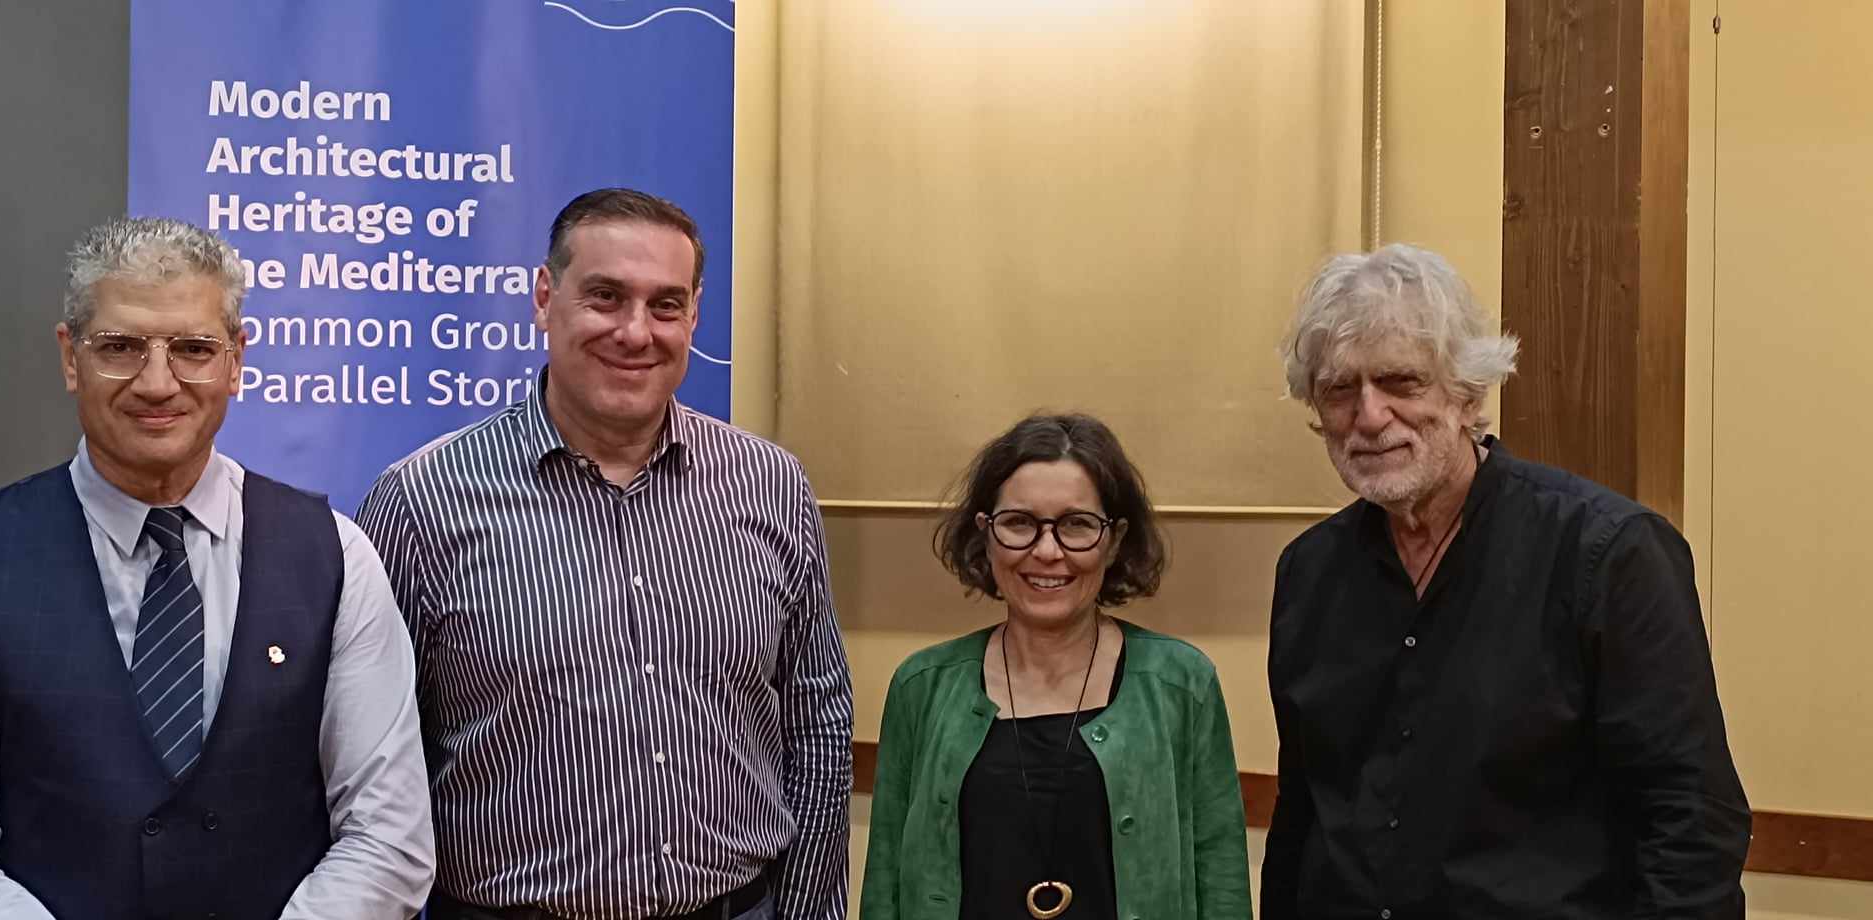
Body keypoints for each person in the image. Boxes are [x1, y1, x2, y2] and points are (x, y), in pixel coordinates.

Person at [0, 217, 435, 919]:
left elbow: (388, 839)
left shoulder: (337, 558)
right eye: (120, 347)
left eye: (194, 349)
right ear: (70, 358)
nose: (158, 382)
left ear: (236, 360)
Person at [357, 187, 853, 920]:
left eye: (665, 305)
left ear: (694, 314)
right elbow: (372, 758)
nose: (635, 331)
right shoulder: (423, 499)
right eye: (606, 297)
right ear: (544, 297)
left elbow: (818, 722)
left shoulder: (771, 485)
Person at [1263, 243, 1751, 918]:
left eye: (1401, 382)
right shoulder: (1308, 573)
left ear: (1467, 394)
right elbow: (1303, 812)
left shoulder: (1609, 554)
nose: (1369, 416)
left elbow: (1692, 821)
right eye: (1340, 389)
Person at [861, 413, 1250, 920]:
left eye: (1077, 525)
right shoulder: (922, 687)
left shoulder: (1181, 684)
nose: (1047, 551)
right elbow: (885, 887)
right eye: (1019, 523)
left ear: (1115, 539)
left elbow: (1222, 885)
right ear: (986, 534)